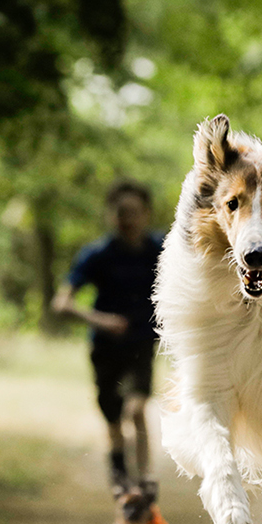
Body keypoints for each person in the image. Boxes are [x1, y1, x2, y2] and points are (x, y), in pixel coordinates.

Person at [53, 181, 165, 487]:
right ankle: (120, 481)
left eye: (133, 212)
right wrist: (100, 320)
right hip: (105, 349)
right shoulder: (97, 254)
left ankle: (144, 482)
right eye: (120, 212)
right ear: (110, 216)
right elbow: (61, 302)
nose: (127, 219)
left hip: (142, 343)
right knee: (114, 421)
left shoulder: (162, 250)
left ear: (146, 214)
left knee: (138, 408)